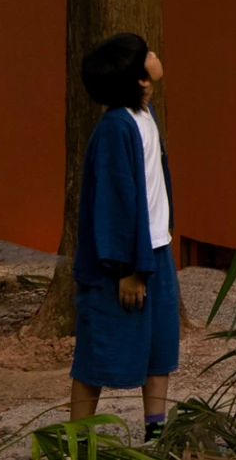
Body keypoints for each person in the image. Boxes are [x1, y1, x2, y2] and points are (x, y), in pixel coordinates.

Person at [68, 32, 180, 441]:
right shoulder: (116, 128)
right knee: (98, 351)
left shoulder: (143, 116)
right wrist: (127, 269)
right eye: (147, 55)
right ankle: (79, 440)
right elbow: (114, 203)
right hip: (120, 263)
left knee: (159, 346)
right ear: (139, 79)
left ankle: (156, 434)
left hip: (157, 250)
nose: (154, 55)